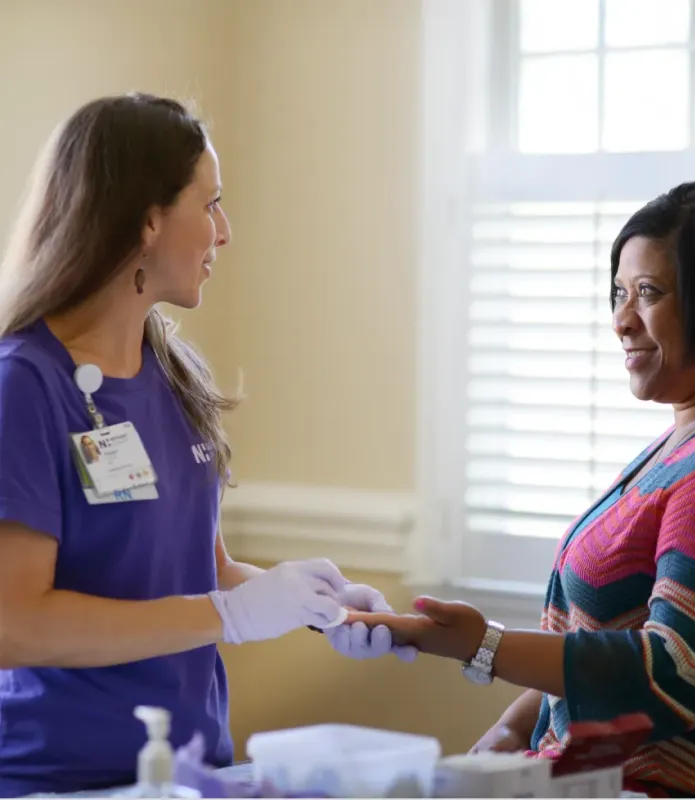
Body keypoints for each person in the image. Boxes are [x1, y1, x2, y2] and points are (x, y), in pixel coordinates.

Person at [0, 93, 412, 798]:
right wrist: (232, 616)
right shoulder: (25, 386)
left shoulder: (173, 374)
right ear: (147, 220)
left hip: (193, 771)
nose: (224, 231)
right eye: (210, 203)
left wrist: (319, 604)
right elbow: (15, 623)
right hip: (58, 778)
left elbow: (202, 569)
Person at [352, 180, 695, 798]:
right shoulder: (691, 440)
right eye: (619, 292)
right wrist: (515, 730)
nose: (621, 321)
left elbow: (678, 675)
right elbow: (603, 642)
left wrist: (483, 645)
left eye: (648, 293)